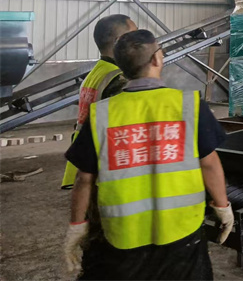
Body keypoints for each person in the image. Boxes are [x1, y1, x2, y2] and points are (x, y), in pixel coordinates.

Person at [64, 29, 233, 280]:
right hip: (182, 231)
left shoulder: (102, 114)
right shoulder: (189, 104)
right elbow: (209, 164)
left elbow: (84, 178)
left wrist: (77, 226)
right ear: (157, 59)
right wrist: (222, 206)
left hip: (123, 236)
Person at [62, 14, 138, 190]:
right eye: (134, 34)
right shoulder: (118, 79)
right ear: (119, 41)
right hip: (104, 168)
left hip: (85, 161)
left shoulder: (98, 72)